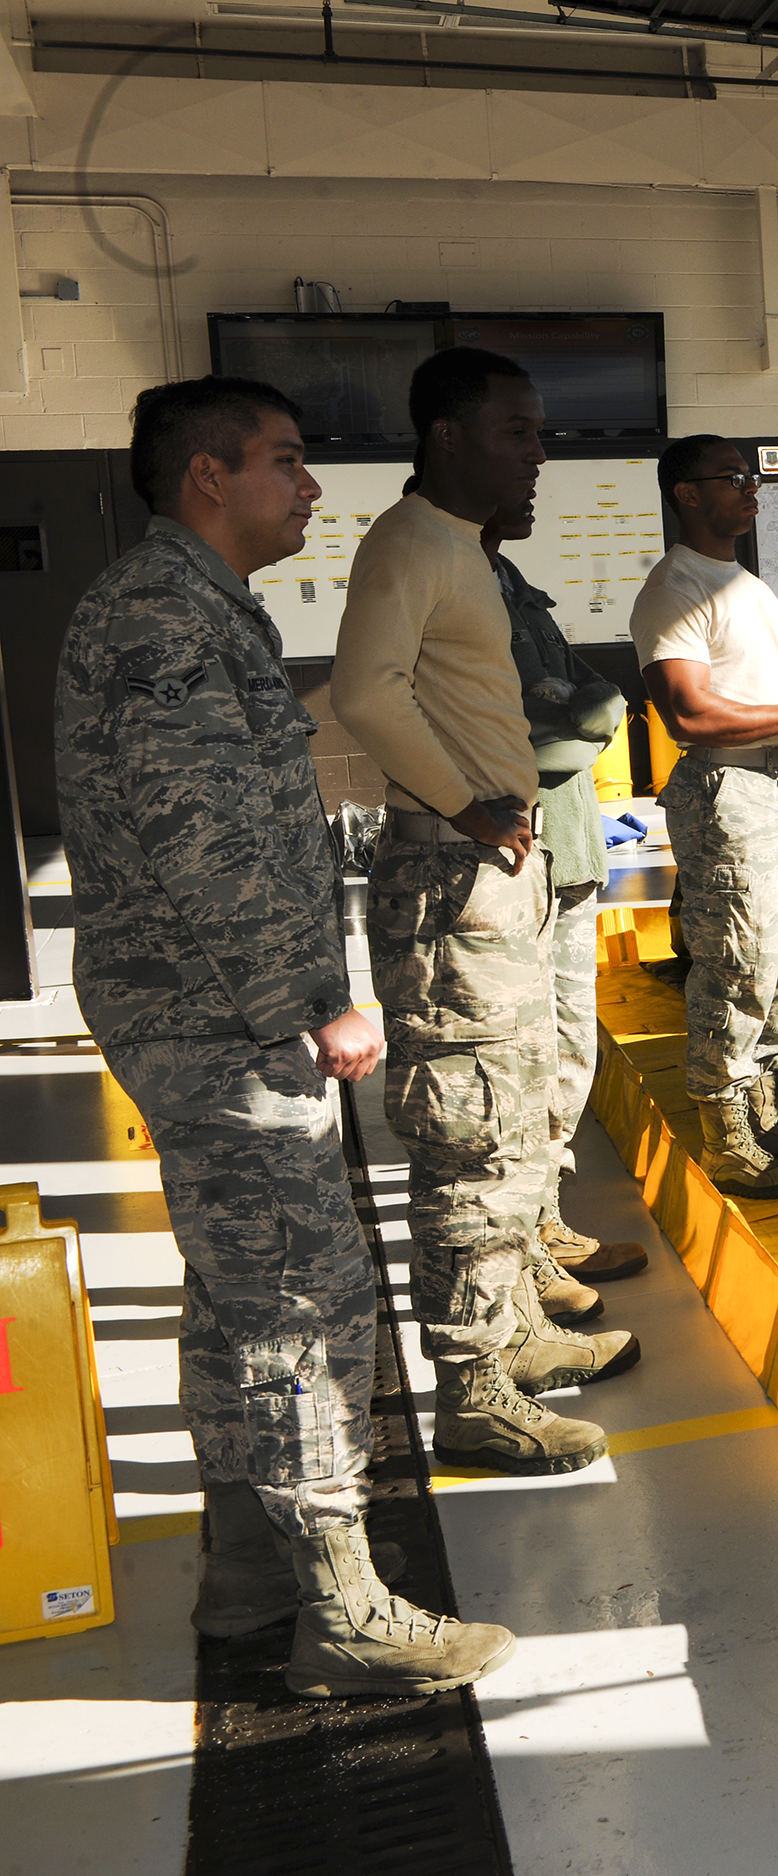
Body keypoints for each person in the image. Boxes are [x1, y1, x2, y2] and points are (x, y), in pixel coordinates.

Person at [62, 376, 515, 1693]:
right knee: (303, 1305)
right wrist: (308, 1000)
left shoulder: (201, 608)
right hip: (220, 1021)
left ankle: (250, 1580)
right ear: (209, 477)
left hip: (210, 1013)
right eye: (286, 462)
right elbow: (199, 840)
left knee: (235, 1297)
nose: (312, 488)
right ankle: (346, 1609)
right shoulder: (161, 615)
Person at [334, 348, 633, 1476]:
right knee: (467, 1141)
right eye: (517, 431)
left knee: (509, 1132)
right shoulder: (412, 542)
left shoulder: (459, 548)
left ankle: (510, 1330)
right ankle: (468, 1390)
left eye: (540, 430)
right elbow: (367, 688)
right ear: (448, 435)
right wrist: (464, 803)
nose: (539, 451)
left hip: (490, 888)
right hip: (452, 886)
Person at [632, 435, 778, 1200]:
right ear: (687, 493)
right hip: (729, 791)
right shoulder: (675, 588)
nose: (750, 486)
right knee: (736, 962)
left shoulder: (746, 586)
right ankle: (728, 1139)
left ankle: (762, 1110)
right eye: (732, 476)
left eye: (750, 474)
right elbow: (686, 715)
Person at [483, 492, 648, 1289]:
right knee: (525, 1060)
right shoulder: (453, 587)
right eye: (515, 441)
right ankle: (530, 1241)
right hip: (521, 854)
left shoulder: (508, 579)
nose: (537, 465)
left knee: (568, 1050)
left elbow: (599, 701)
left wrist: (579, 716)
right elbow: (546, 721)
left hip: (570, 844)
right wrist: (577, 717)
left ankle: (548, 1220)